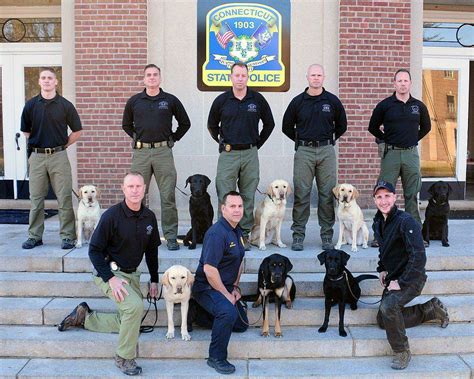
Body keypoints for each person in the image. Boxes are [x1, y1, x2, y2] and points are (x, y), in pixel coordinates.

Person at [58, 172, 160, 376]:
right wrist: (111, 279)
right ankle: (123, 357)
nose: (135, 190)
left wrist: (154, 279)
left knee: (129, 319)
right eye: (130, 186)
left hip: (132, 274)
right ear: (123, 189)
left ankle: (84, 318)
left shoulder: (149, 217)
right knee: (134, 307)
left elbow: (151, 251)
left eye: (138, 186)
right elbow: (93, 250)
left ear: (144, 189)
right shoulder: (111, 216)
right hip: (108, 272)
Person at [372, 180, 449, 370]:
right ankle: (430, 310)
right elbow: (384, 250)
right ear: (374, 200)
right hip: (394, 276)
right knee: (383, 319)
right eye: (379, 197)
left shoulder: (406, 221)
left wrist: (402, 282)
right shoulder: (378, 222)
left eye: (387, 196)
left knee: (389, 306)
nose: (384, 201)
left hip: (412, 277)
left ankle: (401, 351)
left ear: (395, 197)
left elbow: (419, 256)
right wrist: (382, 269)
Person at [122, 64, 191, 251]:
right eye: (148, 75)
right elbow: (126, 124)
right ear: (144, 79)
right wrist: (137, 138)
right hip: (141, 153)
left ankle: (169, 237)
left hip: (163, 153)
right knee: (135, 195)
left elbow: (185, 123)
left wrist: (173, 138)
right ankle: (134, 236)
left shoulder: (169, 100)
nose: (152, 78)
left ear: (160, 78)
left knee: (167, 196)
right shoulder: (135, 101)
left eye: (155, 75)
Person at [207, 62, 275, 250]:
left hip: (250, 154)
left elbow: (269, 124)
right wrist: (221, 141)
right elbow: (212, 125)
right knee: (225, 194)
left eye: (243, 75)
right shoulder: (222, 100)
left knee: (247, 195)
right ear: (231, 77)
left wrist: (257, 144)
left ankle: (243, 235)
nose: (240, 78)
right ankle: (224, 236)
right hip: (228, 154)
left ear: (247, 77)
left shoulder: (257, 99)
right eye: (236, 75)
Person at [282, 64, 347, 251]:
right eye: (313, 75)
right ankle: (298, 236)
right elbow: (287, 126)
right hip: (304, 151)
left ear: (324, 77)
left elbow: (342, 124)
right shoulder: (298, 102)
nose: (316, 78)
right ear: (307, 77)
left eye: (319, 75)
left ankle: (327, 236)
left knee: (327, 194)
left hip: (326, 150)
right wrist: (301, 140)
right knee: (302, 194)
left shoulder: (332, 101)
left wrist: (330, 138)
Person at [20, 67, 82, 250]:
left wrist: (63, 146)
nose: (46, 81)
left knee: (64, 198)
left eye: (50, 78)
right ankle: (34, 236)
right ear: (39, 82)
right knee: (36, 199)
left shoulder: (65, 105)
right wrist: (39, 143)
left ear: (56, 82)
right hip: (37, 157)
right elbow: (25, 131)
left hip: (59, 156)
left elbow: (77, 131)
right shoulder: (31, 105)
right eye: (43, 78)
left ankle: (68, 237)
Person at [191, 191, 248, 375]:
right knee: (227, 312)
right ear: (223, 209)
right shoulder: (217, 233)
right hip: (206, 287)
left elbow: (239, 260)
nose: (237, 210)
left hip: (224, 287)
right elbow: (209, 270)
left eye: (240, 206)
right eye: (232, 206)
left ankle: (199, 315)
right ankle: (216, 357)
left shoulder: (237, 230)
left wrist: (235, 287)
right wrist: (226, 294)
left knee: (241, 324)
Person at [368, 69, 431, 226]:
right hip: (391, 154)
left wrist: (412, 138)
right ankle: (382, 231)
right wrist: (385, 139)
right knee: (385, 193)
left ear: (410, 83)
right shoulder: (385, 105)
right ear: (394, 83)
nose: (403, 84)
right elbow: (372, 127)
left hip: (411, 154)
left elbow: (426, 127)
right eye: (400, 81)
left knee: (411, 194)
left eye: (406, 81)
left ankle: (413, 231)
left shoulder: (418, 106)